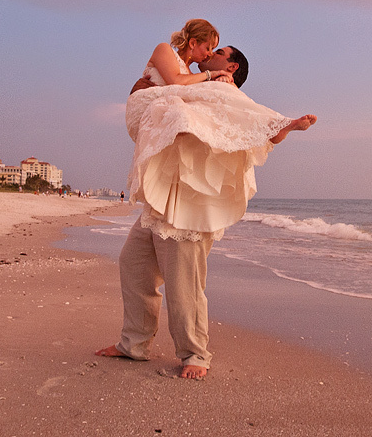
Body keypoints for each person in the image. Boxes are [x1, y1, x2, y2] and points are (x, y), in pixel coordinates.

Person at [97, 19, 316, 379]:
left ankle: (195, 354)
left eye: (218, 52)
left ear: (230, 66)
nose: (211, 54)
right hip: (165, 195)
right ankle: (133, 345)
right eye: (209, 47)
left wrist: (284, 125)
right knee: (133, 266)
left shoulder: (225, 88)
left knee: (184, 282)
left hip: (190, 201)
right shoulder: (195, 76)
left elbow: (250, 118)